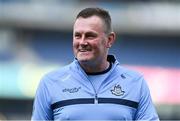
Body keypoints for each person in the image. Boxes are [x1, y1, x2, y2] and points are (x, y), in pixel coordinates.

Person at [31, 7, 159, 121]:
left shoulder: (136, 82)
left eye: (90, 36)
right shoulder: (50, 82)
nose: (82, 42)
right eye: (77, 36)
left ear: (109, 40)